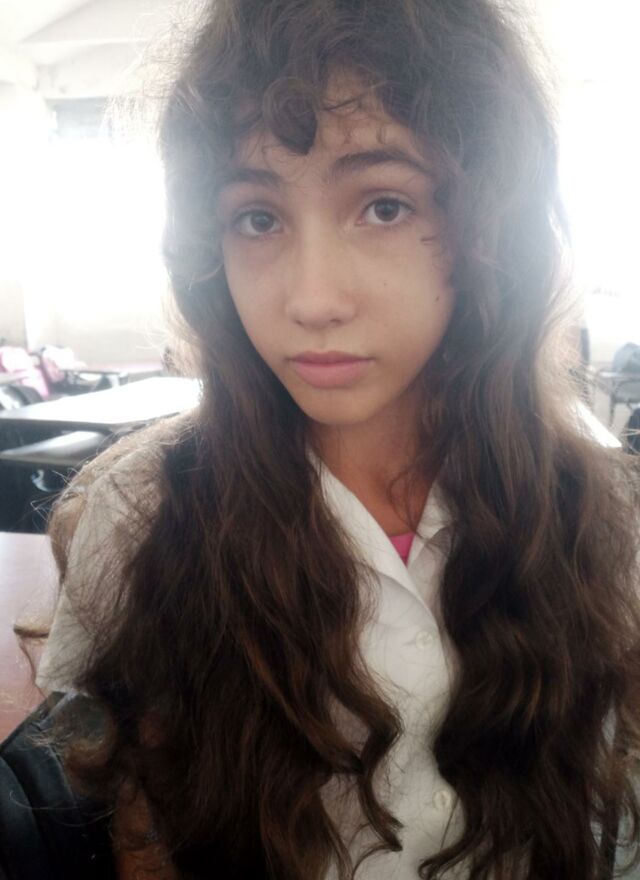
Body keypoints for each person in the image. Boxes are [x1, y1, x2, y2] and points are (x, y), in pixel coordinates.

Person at [14, 0, 640, 878]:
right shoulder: (141, 514)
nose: (311, 299)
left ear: (489, 227)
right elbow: (143, 824)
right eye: (257, 218)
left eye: (383, 205)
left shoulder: (606, 516)